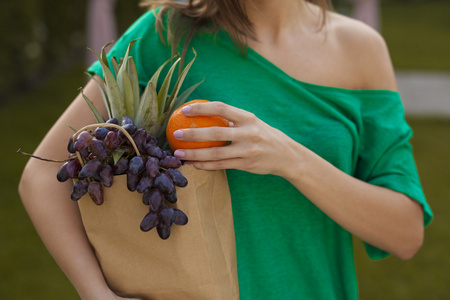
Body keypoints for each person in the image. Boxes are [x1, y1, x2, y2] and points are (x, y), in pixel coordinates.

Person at [19, 0, 433, 299]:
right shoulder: (164, 32)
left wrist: (289, 158)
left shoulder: (360, 50)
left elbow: (406, 232)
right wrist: (96, 294)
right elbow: (42, 175)